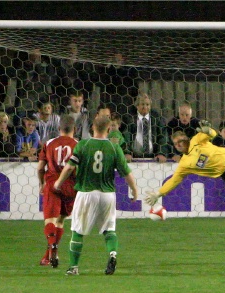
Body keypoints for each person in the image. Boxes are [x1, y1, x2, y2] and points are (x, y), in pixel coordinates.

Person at [54, 116, 139, 276]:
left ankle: (73, 267)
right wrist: (134, 190)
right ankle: (112, 255)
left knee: (78, 231)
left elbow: (69, 167)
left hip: (86, 193)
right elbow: (127, 173)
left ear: (92, 127)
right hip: (107, 195)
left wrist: (58, 182)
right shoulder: (114, 148)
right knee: (109, 230)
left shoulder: (83, 145)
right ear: (108, 130)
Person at [37, 115, 78, 267]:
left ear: (59, 128)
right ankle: (48, 254)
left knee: (50, 221)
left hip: (53, 184)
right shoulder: (78, 144)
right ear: (75, 129)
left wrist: (42, 184)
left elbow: (40, 168)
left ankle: (52, 248)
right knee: (60, 220)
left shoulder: (49, 144)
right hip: (70, 186)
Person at [123, 93, 169, 163]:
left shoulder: (157, 119)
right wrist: (126, 152)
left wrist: (161, 153)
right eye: (142, 104)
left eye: (147, 104)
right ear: (137, 106)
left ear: (150, 106)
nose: (145, 107)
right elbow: (126, 137)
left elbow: (163, 137)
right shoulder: (129, 119)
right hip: (133, 158)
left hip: (154, 159)